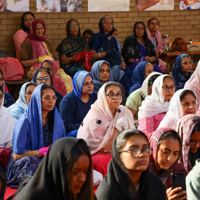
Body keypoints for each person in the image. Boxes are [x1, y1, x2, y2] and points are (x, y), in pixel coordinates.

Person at [7, 84, 66, 186]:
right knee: (32, 161)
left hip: (48, 159)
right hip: (25, 162)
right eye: (47, 97)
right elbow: (16, 156)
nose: (51, 101)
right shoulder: (25, 122)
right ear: (37, 99)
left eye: (53, 97)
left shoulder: (56, 121)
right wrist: (38, 152)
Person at [77, 81, 135, 176]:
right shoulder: (95, 117)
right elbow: (104, 149)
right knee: (105, 162)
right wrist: (117, 126)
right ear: (103, 96)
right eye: (111, 94)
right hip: (95, 155)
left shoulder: (124, 112)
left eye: (118, 94)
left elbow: (133, 140)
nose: (115, 97)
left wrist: (122, 151)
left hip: (121, 152)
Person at [96, 129, 167, 200]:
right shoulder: (109, 192)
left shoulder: (155, 184)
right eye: (134, 150)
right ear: (119, 155)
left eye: (146, 149)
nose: (142, 154)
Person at [14, 137, 94, 200]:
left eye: (86, 171)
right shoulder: (34, 197)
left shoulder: (84, 193)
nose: (83, 179)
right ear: (58, 169)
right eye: (75, 172)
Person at [149, 128, 187, 200]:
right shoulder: (138, 173)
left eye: (175, 154)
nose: (170, 159)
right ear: (153, 148)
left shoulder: (179, 171)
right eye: (165, 152)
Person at [89, 15, 126, 82]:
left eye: (111, 23)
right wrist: (106, 53)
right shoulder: (97, 38)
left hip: (115, 65)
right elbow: (92, 55)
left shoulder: (115, 40)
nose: (109, 25)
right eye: (107, 23)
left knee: (125, 74)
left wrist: (123, 63)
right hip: (102, 67)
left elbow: (119, 54)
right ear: (101, 25)